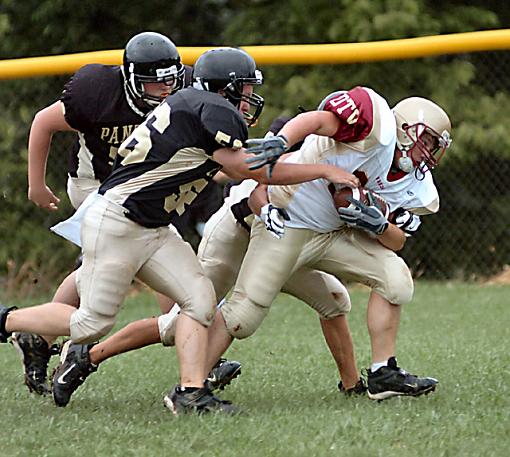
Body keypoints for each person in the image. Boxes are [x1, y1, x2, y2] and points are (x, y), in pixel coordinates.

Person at [0, 47, 359, 415]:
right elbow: (251, 171)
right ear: (224, 90)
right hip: (118, 222)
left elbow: (235, 165)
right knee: (90, 323)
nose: (250, 101)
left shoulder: (194, 105)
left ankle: (190, 394)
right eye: (246, 92)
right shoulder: (209, 111)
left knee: (200, 302)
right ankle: (6, 320)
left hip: (153, 226)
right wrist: (323, 170)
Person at [202, 87, 452, 402]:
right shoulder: (376, 129)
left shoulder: (415, 185)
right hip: (289, 219)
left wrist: (376, 223)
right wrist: (281, 141)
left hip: (332, 235)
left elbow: (397, 240)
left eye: (434, 145)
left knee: (396, 280)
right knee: (243, 316)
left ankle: (382, 372)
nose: (428, 152)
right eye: (426, 140)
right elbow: (318, 119)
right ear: (403, 129)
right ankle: (192, 385)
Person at [12, 31, 190, 396]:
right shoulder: (98, 94)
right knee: (142, 253)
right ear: (130, 79)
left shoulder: (181, 93)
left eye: (169, 80)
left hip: (142, 188)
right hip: (96, 186)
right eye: (153, 82)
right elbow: (43, 122)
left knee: (116, 262)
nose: (164, 89)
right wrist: (36, 184)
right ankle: (189, 334)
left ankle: (38, 338)